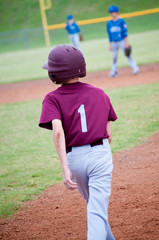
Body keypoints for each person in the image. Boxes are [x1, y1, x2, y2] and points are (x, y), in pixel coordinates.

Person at [39, 44, 117, 240]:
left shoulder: (51, 98)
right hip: (100, 154)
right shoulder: (100, 93)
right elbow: (109, 133)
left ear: (56, 73)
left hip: (75, 159)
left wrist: (65, 169)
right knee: (96, 210)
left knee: (95, 208)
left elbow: (58, 132)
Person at [107, 5, 139, 77]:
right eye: (111, 12)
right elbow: (109, 35)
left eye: (114, 12)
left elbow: (125, 32)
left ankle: (135, 68)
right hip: (113, 42)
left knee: (128, 54)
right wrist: (110, 45)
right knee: (114, 57)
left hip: (122, 41)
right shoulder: (109, 23)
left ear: (117, 12)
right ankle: (114, 71)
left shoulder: (121, 21)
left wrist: (126, 43)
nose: (113, 14)